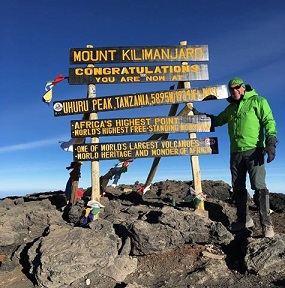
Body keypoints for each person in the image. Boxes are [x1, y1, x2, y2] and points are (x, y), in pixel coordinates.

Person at [195, 77, 277, 238]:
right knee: (238, 188)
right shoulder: (231, 108)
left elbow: (269, 121)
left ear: (243, 87)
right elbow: (218, 120)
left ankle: (267, 225)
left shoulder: (258, 101)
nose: (234, 91)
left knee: (259, 187)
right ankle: (244, 220)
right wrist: (200, 116)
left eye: (237, 87)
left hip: (255, 150)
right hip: (235, 153)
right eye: (231, 89)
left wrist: (271, 142)